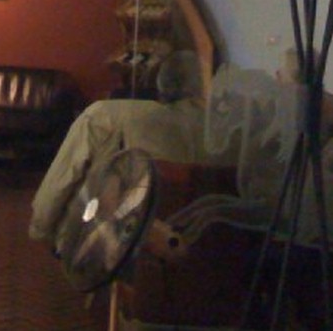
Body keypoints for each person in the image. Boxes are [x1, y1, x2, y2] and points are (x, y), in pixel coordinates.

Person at [29, 50, 210, 249]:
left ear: (161, 82)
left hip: (101, 244)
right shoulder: (226, 139)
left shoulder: (105, 117)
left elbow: (60, 181)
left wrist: (41, 228)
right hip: (199, 248)